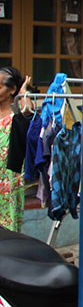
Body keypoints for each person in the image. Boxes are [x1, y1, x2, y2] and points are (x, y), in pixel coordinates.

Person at [0, 67, 32, 231]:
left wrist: (23, 92)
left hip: (8, 179)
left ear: (12, 89)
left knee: (7, 227)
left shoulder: (17, 116)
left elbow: (28, 110)